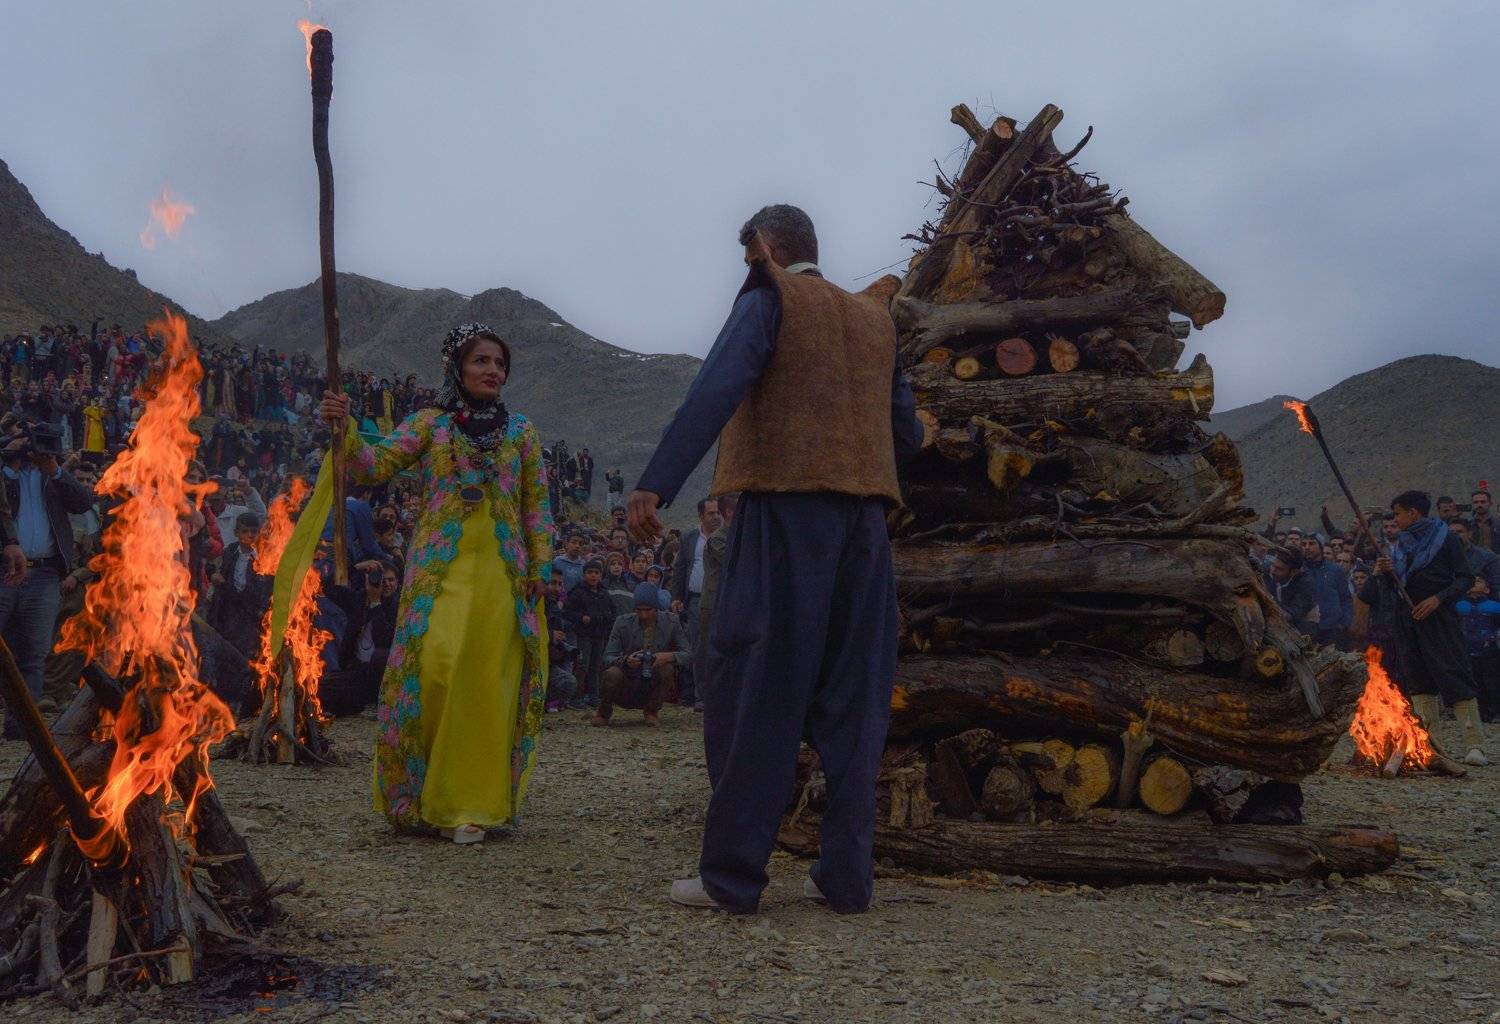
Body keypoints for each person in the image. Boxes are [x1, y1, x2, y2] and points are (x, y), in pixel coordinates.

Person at [628, 204, 921, 914]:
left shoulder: (772, 295)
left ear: (763, 249)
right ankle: (846, 879)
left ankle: (731, 878)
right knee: (854, 700)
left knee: (758, 685)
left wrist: (657, 482)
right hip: (866, 527)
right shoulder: (875, 321)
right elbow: (906, 435)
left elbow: (716, 388)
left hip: (787, 512)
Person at [317, 322, 553, 843]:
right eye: (481, 361)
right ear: (456, 368)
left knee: (486, 682)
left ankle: (472, 804)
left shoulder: (522, 433)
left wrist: (541, 568)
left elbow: (536, 504)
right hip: (438, 573)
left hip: (502, 577)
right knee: (436, 669)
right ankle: (424, 798)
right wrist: (344, 425)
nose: (493, 371)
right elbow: (373, 465)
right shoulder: (430, 424)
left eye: (500, 363)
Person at [1375, 490, 1487, 767]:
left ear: (1413, 512)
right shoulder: (1400, 544)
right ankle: (1430, 745)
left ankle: (1474, 745)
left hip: (1440, 618)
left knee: (1453, 673)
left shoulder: (1446, 539)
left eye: (1399, 513)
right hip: (1407, 618)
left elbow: (1465, 579)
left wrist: (1438, 599)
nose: (1396, 520)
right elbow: (1395, 585)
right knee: (1418, 678)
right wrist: (1385, 572)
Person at [0, 428, 95, 737]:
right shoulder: (6, 473)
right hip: (3, 569)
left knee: (33, 652)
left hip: (44, 574)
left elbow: (83, 501)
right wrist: (8, 460)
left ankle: (21, 727)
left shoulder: (52, 477)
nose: (34, 449)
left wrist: (54, 469)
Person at [593, 582, 689, 727]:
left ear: (656, 607)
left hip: (653, 678)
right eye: (639, 610)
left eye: (648, 610)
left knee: (668, 669)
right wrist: (626, 661)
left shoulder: (672, 622)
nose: (643, 615)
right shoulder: (622, 622)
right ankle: (603, 712)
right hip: (627, 679)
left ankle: (652, 711)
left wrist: (668, 656)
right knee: (612, 673)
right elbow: (607, 657)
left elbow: (688, 654)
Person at [668, 496, 721, 706]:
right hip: (696, 602)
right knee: (700, 647)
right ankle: (701, 697)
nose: (716, 517)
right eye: (711, 513)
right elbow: (680, 568)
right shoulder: (690, 537)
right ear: (701, 516)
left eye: (718, 512)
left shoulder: (729, 535)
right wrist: (677, 596)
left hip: (723, 600)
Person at [694, 491, 737, 721]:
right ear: (730, 511)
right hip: (713, 603)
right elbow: (735, 562)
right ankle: (708, 697)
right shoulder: (719, 539)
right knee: (711, 651)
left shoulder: (734, 536)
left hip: (728, 602)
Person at [564, 558, 617, 708]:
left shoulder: (604, 593)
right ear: (584, 574)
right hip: (584, 635)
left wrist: (605, 620)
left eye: (596, 572)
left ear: (601, 575)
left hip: (600, 635)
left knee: (596, 666)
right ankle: (576, 697)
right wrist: (581, 618)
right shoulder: (577, 592)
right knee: (582, 665)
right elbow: (567, 612)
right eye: (590, 572)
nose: (593, 575)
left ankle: (593, 696)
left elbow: (613, 612)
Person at [1300, 534, 1351, 646]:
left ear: (1321, 546)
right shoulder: (1299, 570)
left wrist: (1344, 623)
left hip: (1332, 630)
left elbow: (1346, 599)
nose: (1307, 547)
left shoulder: (1335, 570)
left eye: (1311, 543)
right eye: (1304, 544)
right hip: (1306, 630)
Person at [1267, 548, 1318, 634]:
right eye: (1273, 565)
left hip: (1303, 624)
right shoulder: (1268, 572)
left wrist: (1269, 598)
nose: (1273, 571)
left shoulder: (1305, 584)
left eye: (1280, 569)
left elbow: (1292, 614)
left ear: (1294, 572)